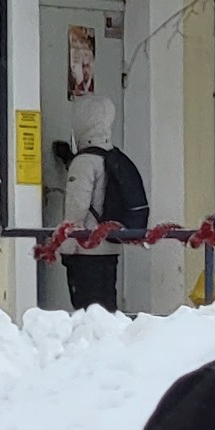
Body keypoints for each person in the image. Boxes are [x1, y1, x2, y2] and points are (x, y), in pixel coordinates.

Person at [57, 94, 144, 313]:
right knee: (106, 308)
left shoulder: (84, 162)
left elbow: (76, 209)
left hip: (85, 250)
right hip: (110, 246)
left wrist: (64, 247)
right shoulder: (113, 157)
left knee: (87, 311)